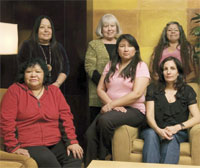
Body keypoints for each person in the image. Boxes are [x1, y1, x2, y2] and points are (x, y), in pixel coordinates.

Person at [0, 58, 83, 168]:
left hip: (55, 141)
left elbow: (66, 118)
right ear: (23, 75)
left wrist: (72, 141)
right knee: (48, 160)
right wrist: (13, 147)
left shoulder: (54, 91)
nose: (33, 75)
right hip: (28, 144)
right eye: (29, 72)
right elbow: (6, 121)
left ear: (44, 74)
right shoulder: (14, 91)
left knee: (75, 155)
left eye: (38, 72)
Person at [84, 34, 150, 167]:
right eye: (122, 46)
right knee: (89, 136)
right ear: (117, 50)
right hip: (112, 109)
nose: (126, 49)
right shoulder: (111, 65)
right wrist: (112, 106)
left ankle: (104, 158)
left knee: (105, 120)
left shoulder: (140, 66)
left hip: (134, 110)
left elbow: (136, 94)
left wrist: (112, 105)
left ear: (135, 49)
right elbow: (100, 89)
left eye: (130, 46)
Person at [141, 56, 200, 164]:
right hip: (153, 129)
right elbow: (149, 116)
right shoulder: (153, 88)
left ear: (178, 72)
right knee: (151, 135)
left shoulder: (187, 90)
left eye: (172, 68)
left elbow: (197, 117)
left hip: (177, 132)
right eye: (165, 69)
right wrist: (159, 130)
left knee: (172, 138)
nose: (168, 72)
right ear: (162, 72)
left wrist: (177, 127)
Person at [85, 13, 122, 123]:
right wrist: (105, 85)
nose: (109, 29)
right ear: (101, 29)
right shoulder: (94, 44)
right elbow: (89, 67)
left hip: (120, 93)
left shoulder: (122, 44)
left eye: (112, 26)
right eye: (106, 26)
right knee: (97, 125)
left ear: (116, 27)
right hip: (98, 94)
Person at [18, 15, 69, 88]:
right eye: (42, 27)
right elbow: (23, 70)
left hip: (54, 89)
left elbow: (65, 68)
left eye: (49, 27)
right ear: (36, 30)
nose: (46, 30)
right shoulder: (27, 46)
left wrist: (56, 84)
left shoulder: (58, 47)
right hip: (32, 89)